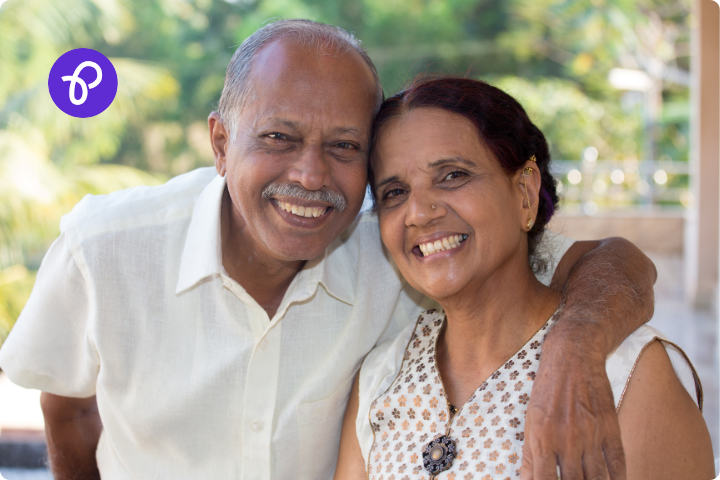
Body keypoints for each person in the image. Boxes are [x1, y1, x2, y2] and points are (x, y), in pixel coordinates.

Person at [0, 20, 659, 480]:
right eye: (279, 137)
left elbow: (610, 262)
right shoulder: (105, 250)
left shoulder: (406, 243)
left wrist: (573, 348)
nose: (311, 177)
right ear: (222, 144)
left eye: (344, 147)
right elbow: (67, 402)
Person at [333, 77, 714, 480]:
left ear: (525, 193)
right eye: (395, 192)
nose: (419, 212)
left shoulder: (625, 372)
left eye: (452, 175)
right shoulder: (381, 376)